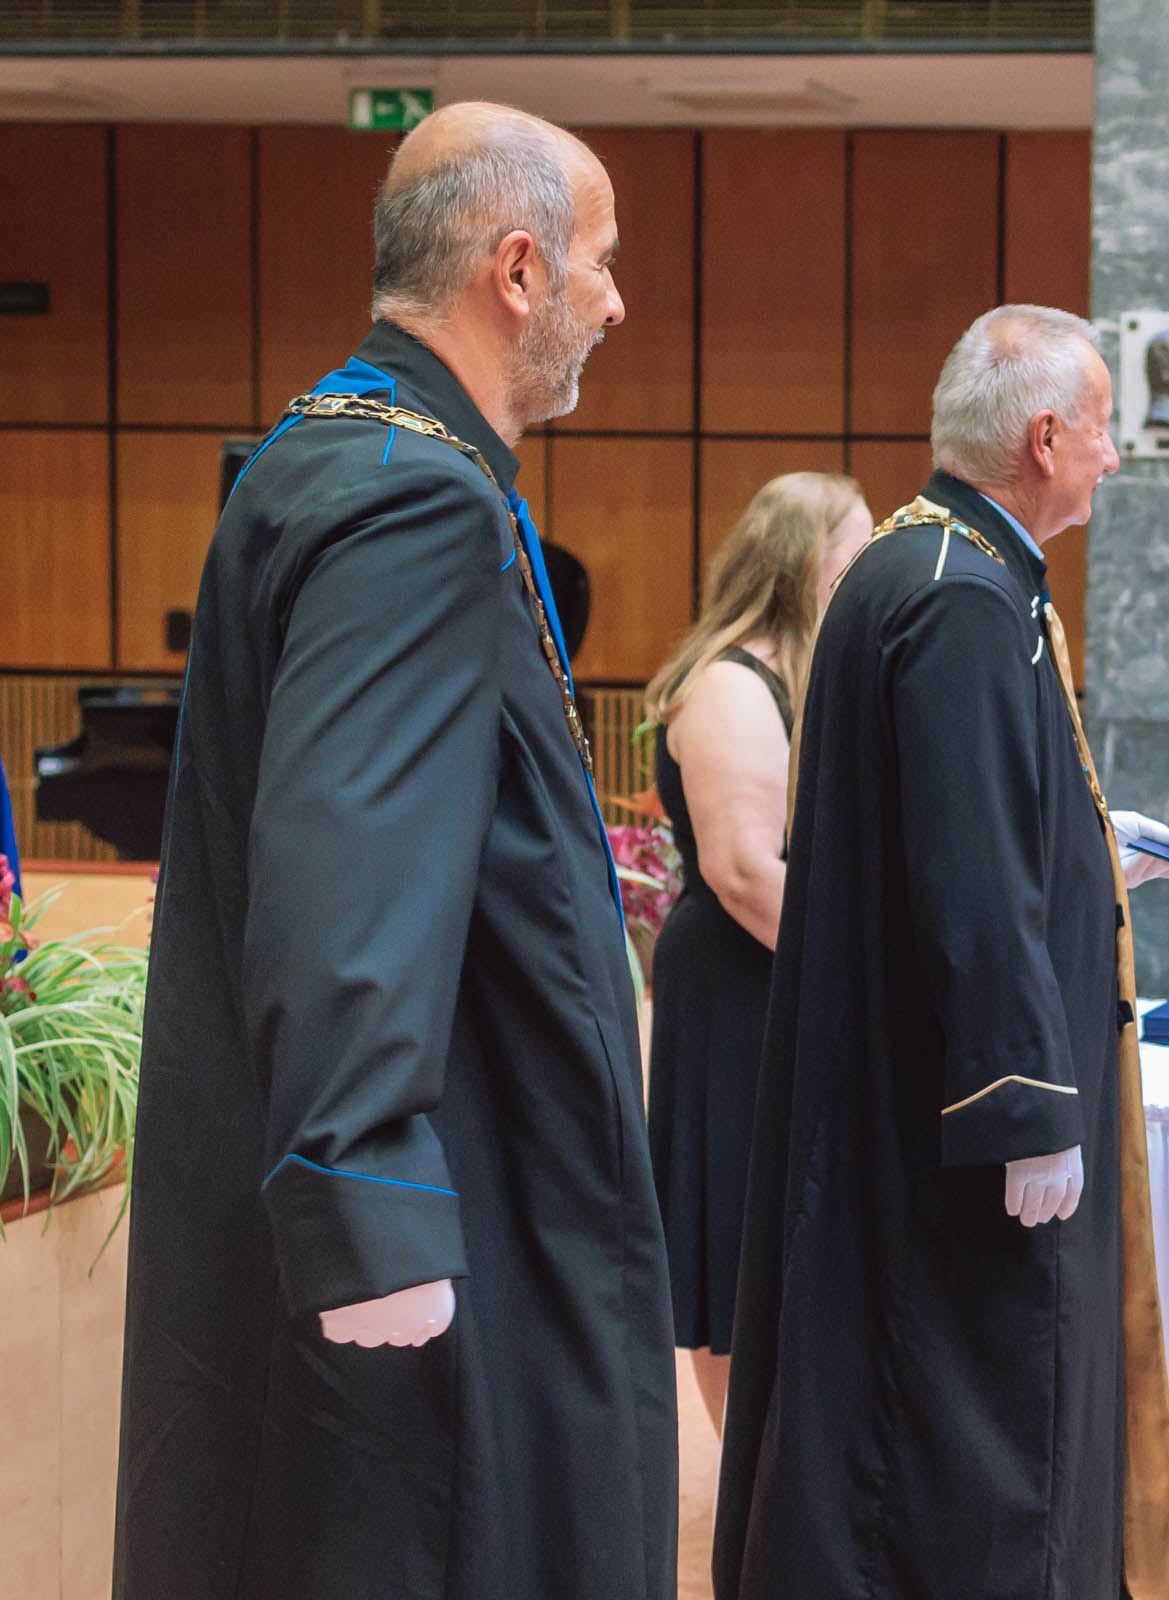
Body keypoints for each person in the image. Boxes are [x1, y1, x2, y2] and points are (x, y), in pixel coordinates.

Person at [116, 103, 678, 1600]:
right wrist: (365, 1190)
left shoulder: (333, 449)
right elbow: (347, 860)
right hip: (454, 1199)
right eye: (601, 263)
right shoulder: (413, 497)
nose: (616, 301)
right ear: (517, 270)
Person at [715, 305, 1169, 1600]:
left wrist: (1089, 853)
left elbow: (955, 825)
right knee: (975, 1434)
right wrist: (1024, 1103)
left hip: (896, 1098)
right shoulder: (965, 599)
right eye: (1101, 431)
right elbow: (968, 874)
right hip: (956, 1132)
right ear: (1044, 438)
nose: (1110, 458)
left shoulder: (914, 562)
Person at [641, 470, 871, 1430]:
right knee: (738, 1245)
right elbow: (745, 873)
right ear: (804, 565)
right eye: (856, 553)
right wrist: (869, 984)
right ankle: (753, 1480)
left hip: (782, 978)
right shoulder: (734, 684)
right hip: (742, 989)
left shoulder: (803, 676)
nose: (872, 571)